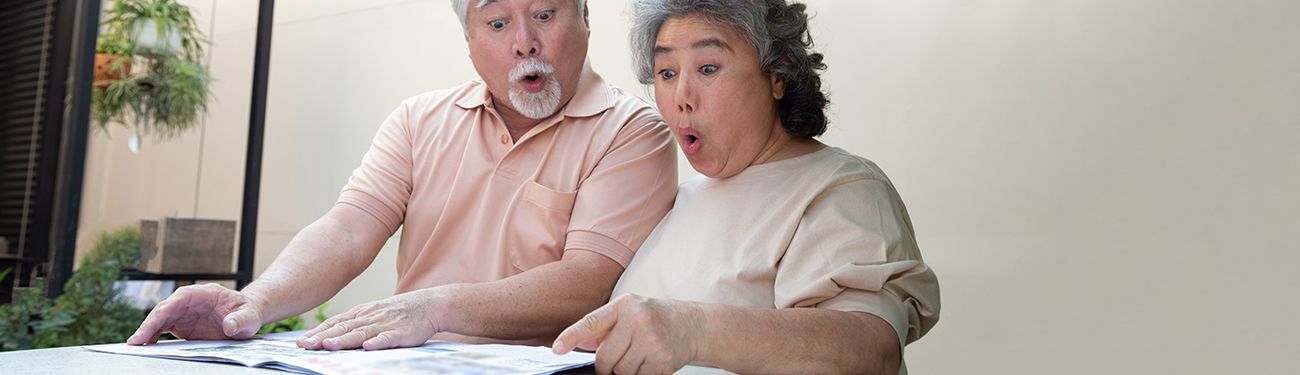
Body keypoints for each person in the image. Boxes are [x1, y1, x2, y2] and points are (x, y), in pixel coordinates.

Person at [127, 0, 678, 351]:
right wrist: (254, 302)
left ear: (584, 17)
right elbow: (347, 230)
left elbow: (588, 282)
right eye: (496, 21)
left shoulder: (633, 131)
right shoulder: (419, 119)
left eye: (545, 14)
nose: (524, 42)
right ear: (468, 40)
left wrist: (434, 307)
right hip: (407, 365)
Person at [551, 0, 941, 373]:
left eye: (707, 68)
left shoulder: (843, 189)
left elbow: (871, 352)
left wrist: (695, 328)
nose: (682, 97)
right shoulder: (683, 200)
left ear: (777, 75)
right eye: (667, 72)